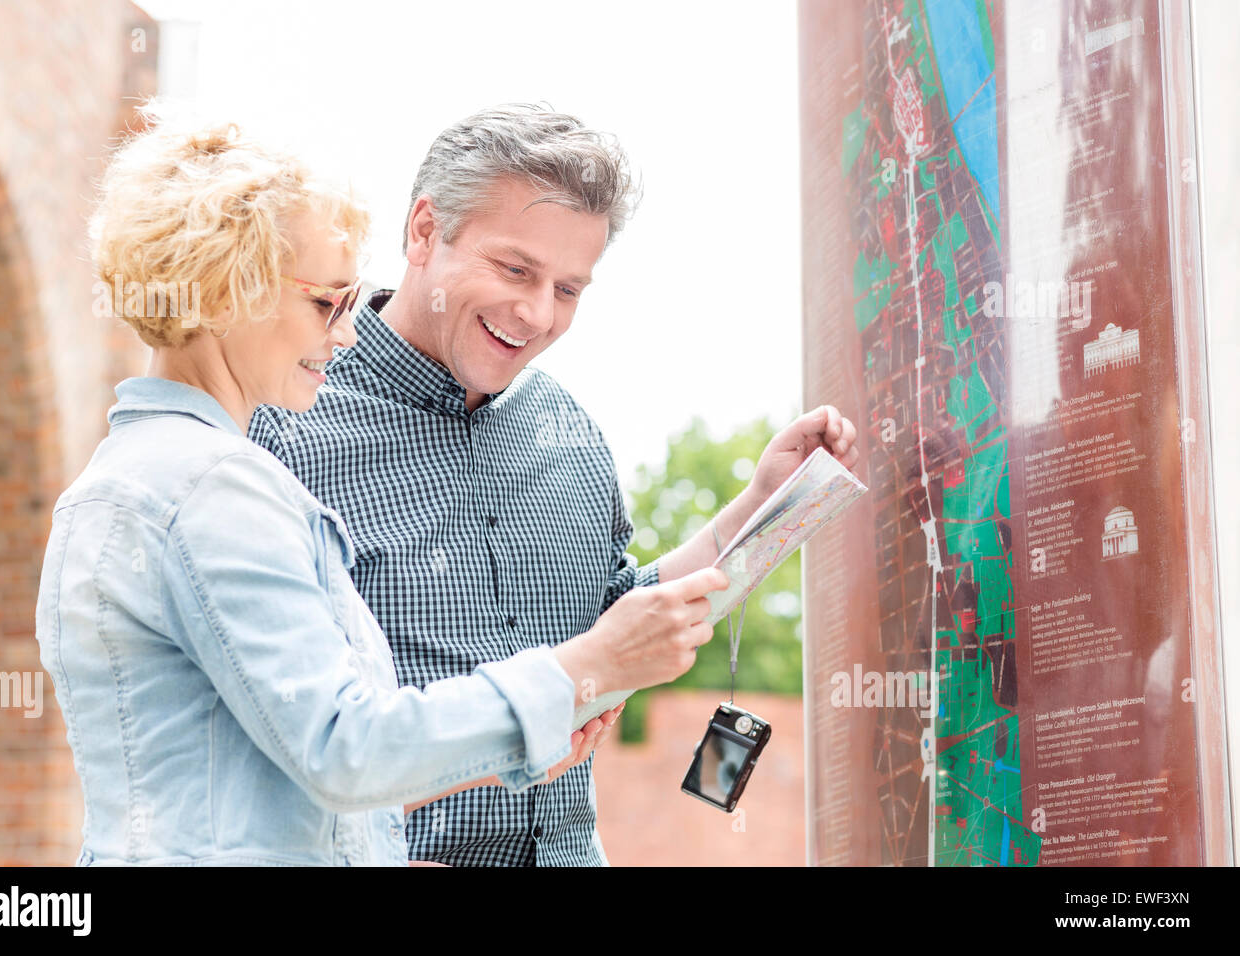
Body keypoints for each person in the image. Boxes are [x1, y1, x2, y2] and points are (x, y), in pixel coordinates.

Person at [33, 113, 727, 867]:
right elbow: (344, 748)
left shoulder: (139, 477)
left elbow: (265, 766)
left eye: (567, 286)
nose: (346, 331)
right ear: (232, 292)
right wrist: (577, 676)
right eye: (326, 303)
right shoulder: (215, 485)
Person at [249, 104, 861, 866]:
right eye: (515, 270)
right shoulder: (281, 422)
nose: (536, 314)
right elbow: (256, 736)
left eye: (569, 289)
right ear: (423, 231)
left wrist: (760, 502)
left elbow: (616, 627)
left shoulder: (567, 430)